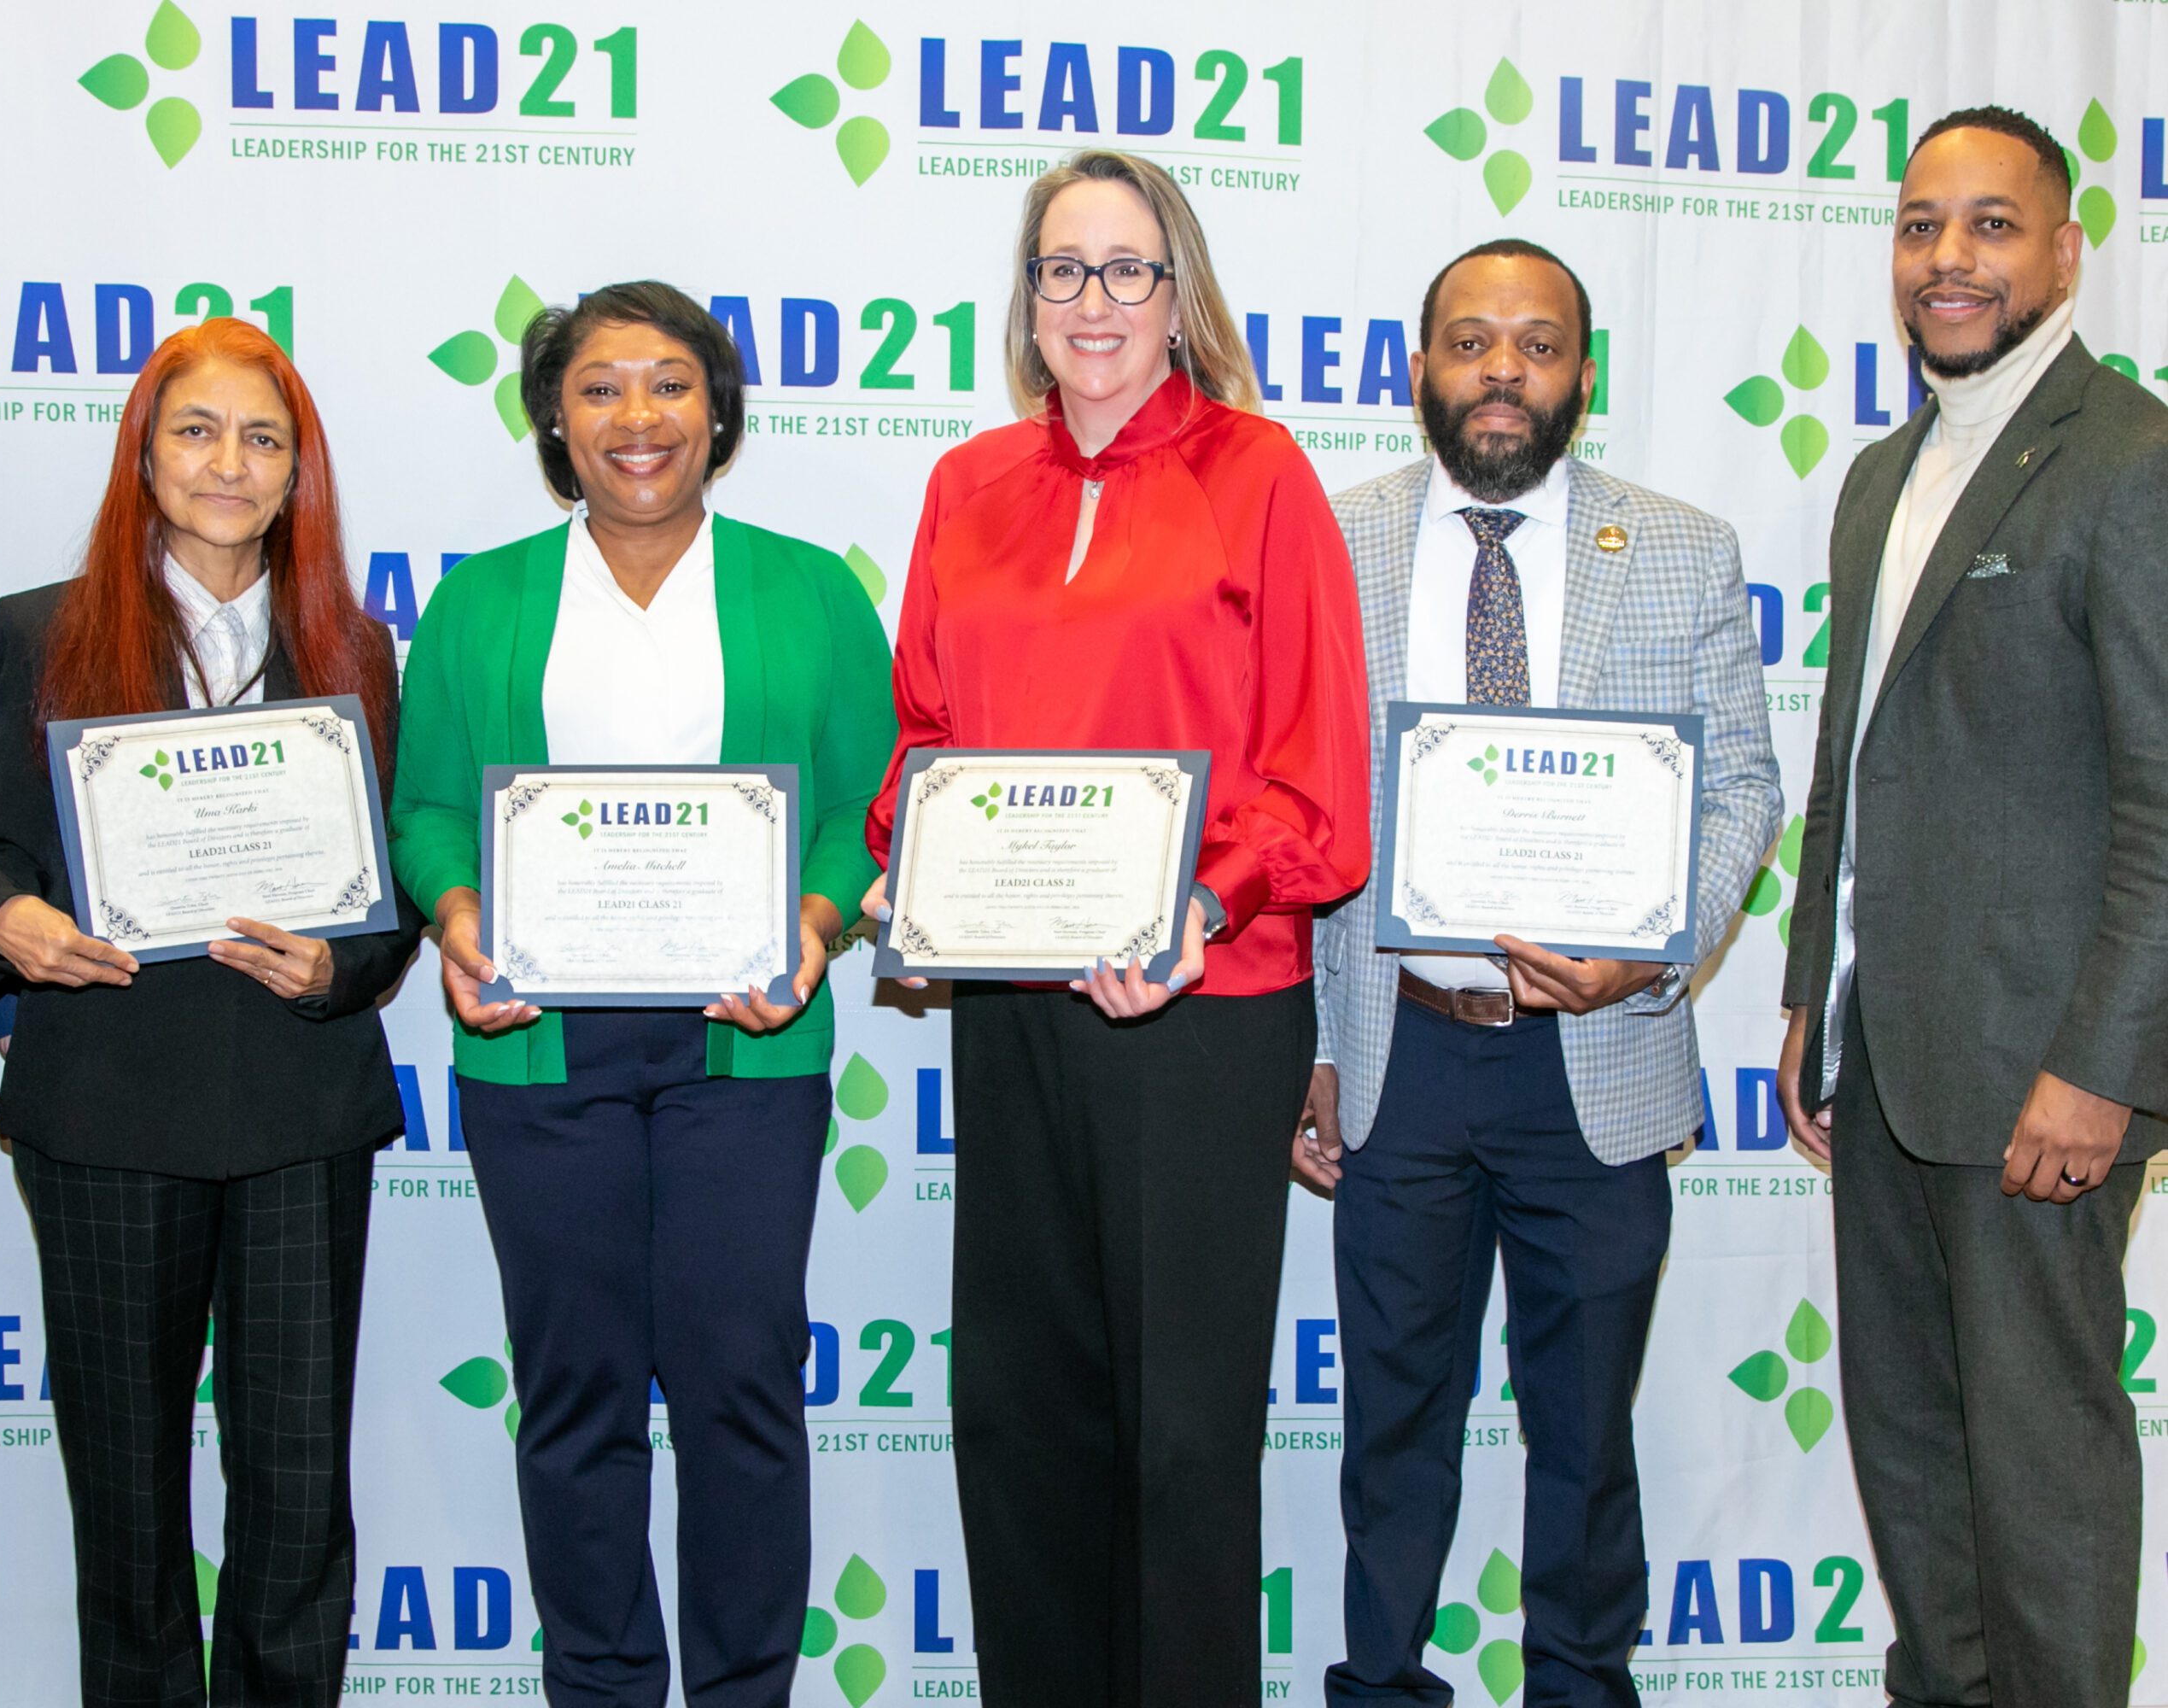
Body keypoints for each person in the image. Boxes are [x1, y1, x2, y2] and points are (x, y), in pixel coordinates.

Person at [859, 149, 1370, 1705]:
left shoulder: (1260, 473)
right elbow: (927, 733)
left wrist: (1201, 912)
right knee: (1023, 1411)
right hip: (1017, 1004)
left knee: (1184, 1431)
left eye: (1128, 269)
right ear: (1025, 298)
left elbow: (1320, 773)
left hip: (1205, 1011)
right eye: (1061, 269)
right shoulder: (968, 485)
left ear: (1180, 293)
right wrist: (907, 862)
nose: (1094, 301)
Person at [390, 280, 896, 1708]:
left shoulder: (808, 587)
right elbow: (426, 806)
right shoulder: (482, 596)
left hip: (751, 1038)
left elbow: (872, 799)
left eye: (670, 382)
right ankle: (602, 1688)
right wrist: (460, 911)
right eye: (601, 386)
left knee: (743, 1396)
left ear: (719, 412)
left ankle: (745, 1691)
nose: (637, 417)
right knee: (575, 1403)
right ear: (555, 417)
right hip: (537, 1045)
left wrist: (810, 921)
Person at [1300, 239, 1780, 1708]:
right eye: (1468, 342)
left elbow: (1744, 792)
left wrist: (1645, 953)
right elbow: (1300, 801)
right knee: (1395, 1422)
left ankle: (1581, 1684)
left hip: (1603, 1054)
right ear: (1418, 369)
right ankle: (1383, 1683)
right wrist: (1307, 1046)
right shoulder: (1332, 539)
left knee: (1584, 1426)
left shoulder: (1687, 547)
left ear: (1585, 372)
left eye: (1537, 344)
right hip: (1401, 1047)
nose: (1502, 372)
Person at [0, 316, 423, 1706]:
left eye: (263, 439)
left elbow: (388, 897)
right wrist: (8, 924)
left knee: (295, 1492)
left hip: (299, 1104)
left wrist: (341, 967)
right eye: (199, 431)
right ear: (144, 454)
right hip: (104, 1105)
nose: (231, 463)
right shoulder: (41, 630)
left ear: (299, 472)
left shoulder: (357, 645)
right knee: (129, 1494)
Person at [1775, 107, 2167, 1708]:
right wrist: (1815, 981)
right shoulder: (1882, 473)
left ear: (2068, 253)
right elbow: (1857, 754)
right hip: (1887, 1058)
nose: (1951, 259)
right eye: (1923, 226)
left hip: (2040, 1078)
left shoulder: (2132, 465)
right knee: (1917, 1463)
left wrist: (2107, 1067)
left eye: (1992, 226)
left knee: (2042, 1477)